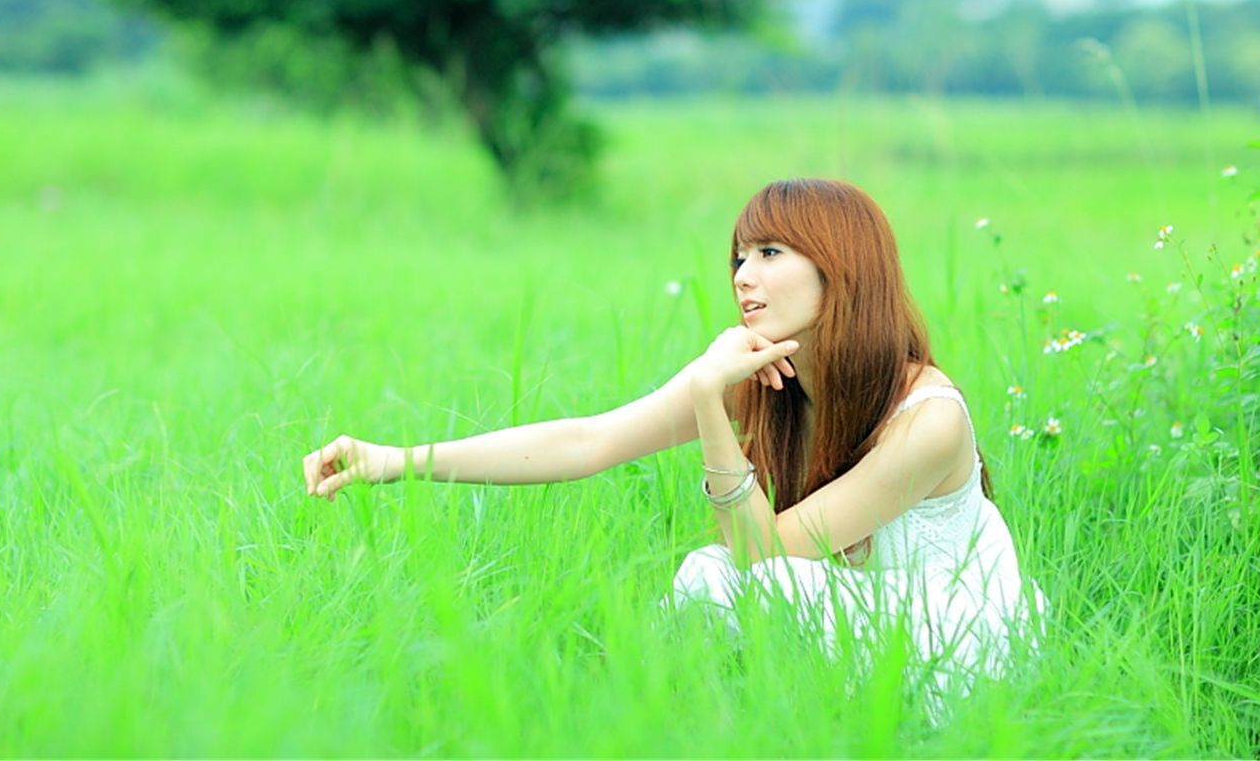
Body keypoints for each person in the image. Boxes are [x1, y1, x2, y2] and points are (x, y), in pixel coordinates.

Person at [302, 177, 1043, 698]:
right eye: (739, 257)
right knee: (711, 579)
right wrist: (397, 461)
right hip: (856, 615)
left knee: (736, 578)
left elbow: (762, 557)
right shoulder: (756, 367)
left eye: (771, 254)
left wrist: (707, 405)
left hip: (958, 640)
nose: (743, 276)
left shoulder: (929, 419)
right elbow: (587, 442)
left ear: (841, 269)